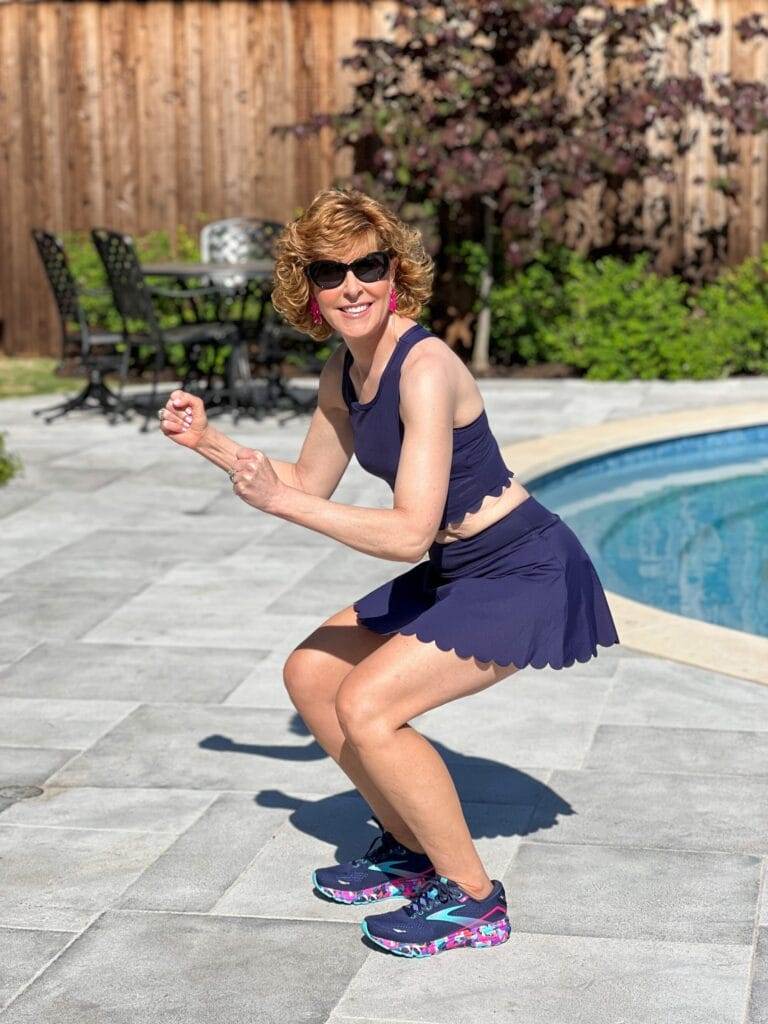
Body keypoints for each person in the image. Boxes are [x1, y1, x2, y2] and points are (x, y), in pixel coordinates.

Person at [158, 186, 620, 959]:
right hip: (458, 566)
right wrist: (210, 442)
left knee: (369, 706)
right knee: (311, 672)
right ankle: (409, 854)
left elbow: (407, 533)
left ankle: (472, 900)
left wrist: (280, 506)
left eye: (368, 265)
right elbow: (305, 482)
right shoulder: (345, 371)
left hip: (521, 568)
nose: (352, 286)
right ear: (306, 290)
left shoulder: (424, 367)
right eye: (330, 273)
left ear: (395, 271)